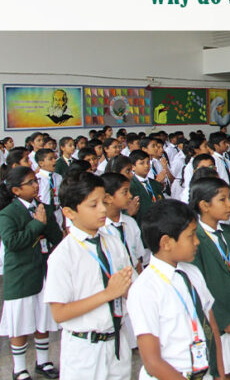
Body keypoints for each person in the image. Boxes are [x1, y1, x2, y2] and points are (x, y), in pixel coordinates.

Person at [45, 171, 134, 379]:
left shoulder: (113, 242)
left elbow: (131, 286)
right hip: (84, 349)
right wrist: (108, 293)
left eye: (104, 201)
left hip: (117, 342)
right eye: (93, 205)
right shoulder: (63, 256)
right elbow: (59, 313)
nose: (103, 209)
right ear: (69, 212)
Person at [127, 199, 226, 380]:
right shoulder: (145, 289)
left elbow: (212, 326)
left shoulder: (193, 273)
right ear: (166, 242)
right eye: (191, 236)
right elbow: (152, 362)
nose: (197, 242)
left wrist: (219, 374)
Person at [0, 167, 63, 380]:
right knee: (20, 321)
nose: (36, 185)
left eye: (36, 180)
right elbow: (13, 242)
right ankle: (19, 368)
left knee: (42, 318)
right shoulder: (8, 213)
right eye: (30, 182)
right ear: (16, 190)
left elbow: (55, 237)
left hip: (42, 270)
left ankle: (43, 361)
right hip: (21, 274)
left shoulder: (42, 207)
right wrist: (37, 224)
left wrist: (47, 224)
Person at [190, 177, 230, 378]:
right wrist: (223, 319)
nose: (229, 205)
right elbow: (198, 286)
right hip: (215, 319)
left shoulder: (229, 234)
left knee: (228, 367)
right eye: (222, 200)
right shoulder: (195, 238)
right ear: (204, 205)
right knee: (216, 370)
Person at [129, 150, 164, 225]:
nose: (146, 166)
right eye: (142, 163)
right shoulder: (131, 185)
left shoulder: (154, 183)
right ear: (133, 167)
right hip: (142, 224)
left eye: (148, 162)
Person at [35, 149, 63, 227]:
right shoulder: (37, 178)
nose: (54, 161)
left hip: (57, 211)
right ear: (41, 163)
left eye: (55, 158)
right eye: (50, 159)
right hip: (45, 213)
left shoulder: (58, 177)